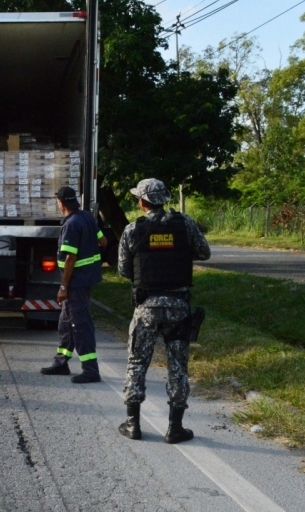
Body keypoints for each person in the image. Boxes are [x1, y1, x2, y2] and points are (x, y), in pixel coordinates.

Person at [116, 178, 210, 444]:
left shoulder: (133, 229)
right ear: (164, 199)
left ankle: (133, 424)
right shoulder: (185, 224)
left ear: (142, 202)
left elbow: (124, 270)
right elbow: (204, 252)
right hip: (178, 307)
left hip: (146, 306)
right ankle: (175, 428)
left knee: (137, 363)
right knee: (177, 367)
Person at [40, 186, 108, 383]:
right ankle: (61, 363)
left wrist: (63, 287)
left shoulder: (71, 224)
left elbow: (70, 258)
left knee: (80, 325)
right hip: (86, 279)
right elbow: (103, 242)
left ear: (61, 204)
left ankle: (91, 370)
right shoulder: (86, 217)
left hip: (75, 283)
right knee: (65, 323)